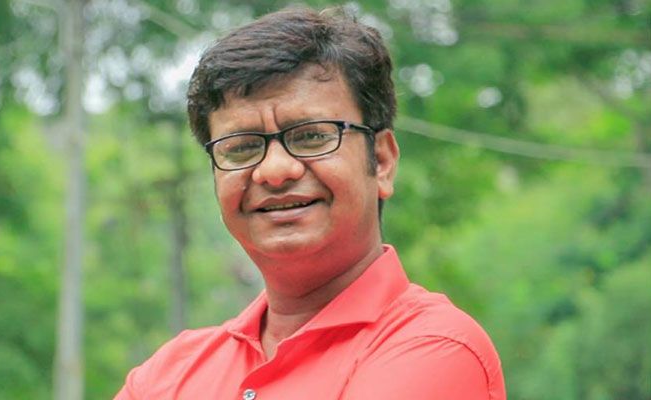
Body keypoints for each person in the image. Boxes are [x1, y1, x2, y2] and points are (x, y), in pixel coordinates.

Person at [115, 6, 505, 400]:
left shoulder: (434, 349)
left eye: (311, 137)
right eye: (242, 147)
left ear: (382, 161)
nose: (274, 171)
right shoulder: (169, 375)